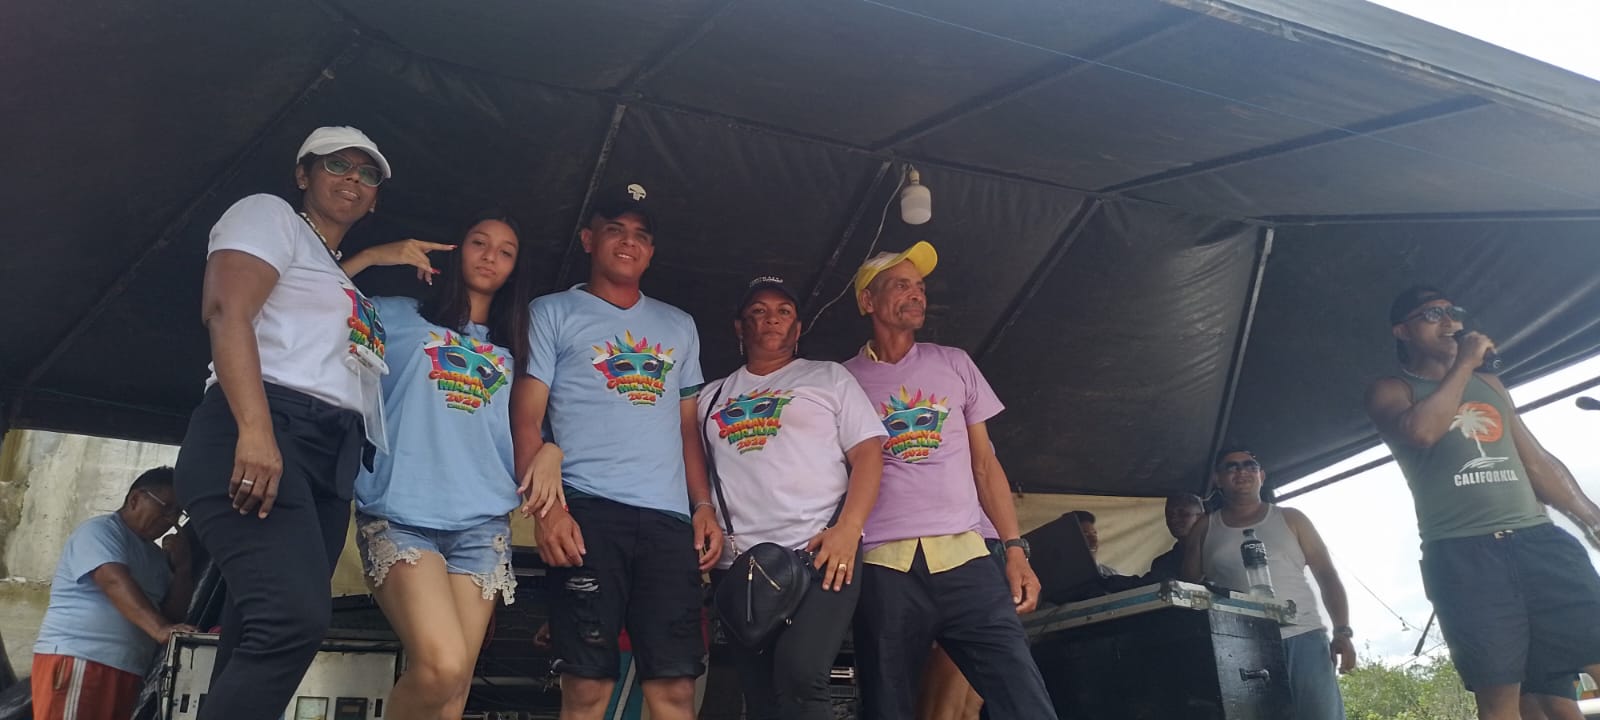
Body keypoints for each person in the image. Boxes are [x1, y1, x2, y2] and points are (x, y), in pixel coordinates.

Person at [173, 126, 395, 719]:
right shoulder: (267, 214)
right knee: (292, 618)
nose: (353, 179)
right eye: (337, 165)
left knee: (258, 627)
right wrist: (255, 429)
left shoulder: (334, 270)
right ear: (303, 174)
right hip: (265, 426)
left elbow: (314, 297)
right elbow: (227, 310)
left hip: (330, 458)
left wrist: (373, 258)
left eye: (367, 173)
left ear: (375, 198)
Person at [510, 182, 720, 720]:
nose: (629, 242)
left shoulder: (679, 325)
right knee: (587, 687)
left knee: (675, 688)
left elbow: (687, 429)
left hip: (668, 522)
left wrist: (702, 506)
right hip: (587, 512)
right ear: (588, 239)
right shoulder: (551, 311)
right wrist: (547, 512)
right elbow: (525, 419)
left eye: (641, 235)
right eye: (615, 230)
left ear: (651, 251)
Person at [348, 211, 564, 719]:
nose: (491, 257)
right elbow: (310, 295)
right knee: (441, 667)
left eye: (506, 251)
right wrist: (373, 256)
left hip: (481, 523)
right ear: (454, 250)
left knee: (454, 690)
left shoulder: (516, 346)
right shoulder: (396, 316)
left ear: (515, 269)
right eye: (479, 243)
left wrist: (553, 451)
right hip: (401, 514)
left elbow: (530, 426)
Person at [841, 241, 1056, 720]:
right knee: (888, 707)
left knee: (1024, 696)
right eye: (901, 285)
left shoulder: (954, 362)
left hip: (966, 557)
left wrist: (1015, 549)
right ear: (868, 301)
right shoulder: (841, 380)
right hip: (883, 564)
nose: (916, 294)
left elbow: (985, 465)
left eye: (920, 287)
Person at [1365, 286, 1600, 720]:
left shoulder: (1489, 384)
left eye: (1452, 311)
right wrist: (1465, 364)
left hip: (1537, 539)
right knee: (1499, 695)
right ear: (1402, 331)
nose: (1448, 320)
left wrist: (1590, 517)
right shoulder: (1391, 389)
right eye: (1431, 314)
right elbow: (1422, 432)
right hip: (1463, 552)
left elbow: (1535, 459)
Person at [698, 276, 885, 720]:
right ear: (739, 327)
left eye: (783, 312)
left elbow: (868, 454)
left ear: (798, 328)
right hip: (741, 565)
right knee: (760, 693)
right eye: (758, 311)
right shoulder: (710, 397)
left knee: (802, 676)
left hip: (822, 550)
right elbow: (696, 472)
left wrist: (848, 530)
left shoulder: (828, 377)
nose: (772, 319)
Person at [1181, 446, 1354, 720]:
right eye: (1231, 466)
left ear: (1261, 475)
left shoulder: (1291, 518)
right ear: (1217, 479)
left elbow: (1326, 574)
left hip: (1303, 636)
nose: (1242, 471)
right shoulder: (1204, 527)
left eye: (1249, 465)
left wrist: (1342, 631)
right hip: (1240, 645)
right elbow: (1188, 587)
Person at [31, 467, 197, 720]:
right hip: (82, 658)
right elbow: (113, 581)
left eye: (177, 513)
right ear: (135, 499)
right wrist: (160, 630)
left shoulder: (155, 557)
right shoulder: (99, 531)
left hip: (128, 669)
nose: (171, 520)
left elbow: (171, 616)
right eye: (166, 508)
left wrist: (183, 568)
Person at [1143, 493, 1204, 582]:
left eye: (1183, 514)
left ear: (1201, 518)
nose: (1173, 519)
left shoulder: (1215, 556)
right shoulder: (1163, 563)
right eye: (1169, 514)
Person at [1063, 510, 1119, 577]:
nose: (1094, 541)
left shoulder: (1112, 575)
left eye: (1094, 534)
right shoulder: (1055, 578)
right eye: (1085, 534)